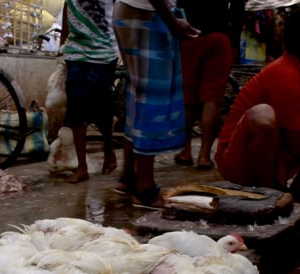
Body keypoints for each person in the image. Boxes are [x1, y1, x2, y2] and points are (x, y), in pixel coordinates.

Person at [214, 6, 300, 204]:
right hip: (239, 163)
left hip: (280, 155)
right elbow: (298, 143)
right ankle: (271, 193)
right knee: (262, 115)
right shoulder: (285, 74)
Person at [112, 0, 200, 209]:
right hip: (145, 14)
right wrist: (171, 22)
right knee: (151, 98)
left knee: (138, 95)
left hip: (135, 11)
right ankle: (145, 187)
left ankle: (130, 177)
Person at [173, 0, 245, 170]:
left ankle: (185, 151)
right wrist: (233, 40)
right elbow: (238, 9)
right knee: (212, 98)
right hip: (220, 37)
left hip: (188, 36)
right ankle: (204, 156)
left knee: (187, 97)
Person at [61, 0, 120, 183]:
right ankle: (82, 167)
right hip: (75, 52)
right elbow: (67, 8)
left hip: (104, 53)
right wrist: (62, 44)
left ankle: (109, 150)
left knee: (103, 108)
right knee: (76, 110)